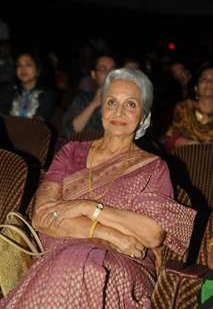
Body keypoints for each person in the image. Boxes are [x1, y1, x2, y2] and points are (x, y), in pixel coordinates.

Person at [0, 68, 196, 308]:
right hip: (56, 259)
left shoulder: (153, 168)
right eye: (111, 102)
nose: (119, 112)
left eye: (131, 104)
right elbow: (43, 216)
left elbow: (152, 234)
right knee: (75, 261)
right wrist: (108, 233)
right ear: (102, 108)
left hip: (122, 267)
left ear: (143, 116)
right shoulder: (70, 153)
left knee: (82, 264)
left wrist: (87, 207)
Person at [62, 54, 116, 138]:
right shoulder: (83, 99)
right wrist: (93, 104)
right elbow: (68, 131)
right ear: (93, 75)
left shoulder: (124, 100)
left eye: (112, 70)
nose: (109, 74)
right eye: (103, 69)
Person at [164, 62, 213, 152]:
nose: (209, 82)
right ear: (196, 88)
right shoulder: (184, 108)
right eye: (204, 79)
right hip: (188, 161)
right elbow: (169, 141)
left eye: (212, 79)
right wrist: (192, 144)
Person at [0, 51, 56, 122]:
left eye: (28, 64)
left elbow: (39, 121)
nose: (23, 69)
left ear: (38, 70)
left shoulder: (48, 94)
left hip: (34, 131)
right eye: (19, 65)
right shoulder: (9, 89)